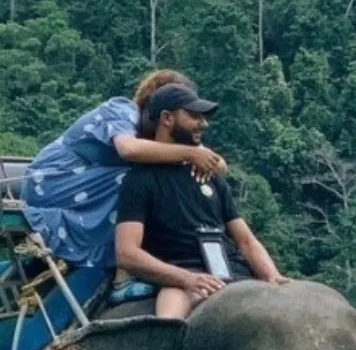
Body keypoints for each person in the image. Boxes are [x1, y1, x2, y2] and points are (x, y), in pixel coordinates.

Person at [21, 70, 227, 274]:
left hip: (93, 183)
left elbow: (218, 165)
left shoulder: (159, 137)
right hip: (55, 181)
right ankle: (126, 264)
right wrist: (189, 154)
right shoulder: (122, 110)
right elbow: (128, 150)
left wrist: (198, 158)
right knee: (138, 180)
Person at [114, 84, 287, 320]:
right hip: (183, 280)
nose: (203, 124)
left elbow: (246, 240)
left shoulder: (209, 175)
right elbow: (127, 253)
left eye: (204, 117)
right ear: (167, 118)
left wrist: (272, 275)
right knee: (168, 325)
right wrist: (187, 279)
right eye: (194, 116)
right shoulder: (139, 180)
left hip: (235, 274)